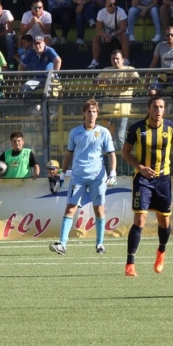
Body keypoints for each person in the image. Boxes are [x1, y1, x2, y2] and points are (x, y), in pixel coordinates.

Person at [121, 95, 173, 277]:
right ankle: (130, 264)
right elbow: (125, 152)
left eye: (161, 107)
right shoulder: (137, 128)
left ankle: (161, 252)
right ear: (148, 109)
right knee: (140, 219)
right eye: (155, 107)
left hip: (163, 181)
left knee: (164, 222)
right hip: (142, 180)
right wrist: (140, 168)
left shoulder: (171, 129)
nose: (158, 111)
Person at [50, 99, 117, 255]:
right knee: (70, 208)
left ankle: (100, 244)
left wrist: (113, 173)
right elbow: (69, 154)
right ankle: (62, 244)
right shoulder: (75, 132)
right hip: (78, 177)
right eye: (89, 111)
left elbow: (111, 154)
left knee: (99, 209)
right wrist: (62, 175)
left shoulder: (104, 132)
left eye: (94, 111)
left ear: (97, 114)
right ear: (83, 113)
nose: (91, 114)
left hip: (97, 177)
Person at [90, 0, 130, 68]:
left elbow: (123, 28)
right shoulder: (101, 12)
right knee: (96, 37)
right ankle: (95, 61)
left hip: (118, 32)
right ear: (105, 5)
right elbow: (98, 29)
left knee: (124, 36)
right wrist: (105, 35)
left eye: (115, 4)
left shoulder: (121, 11)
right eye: (110, 5)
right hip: (107, 32)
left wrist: (113, 34)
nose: (113, 6)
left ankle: (126, 60)